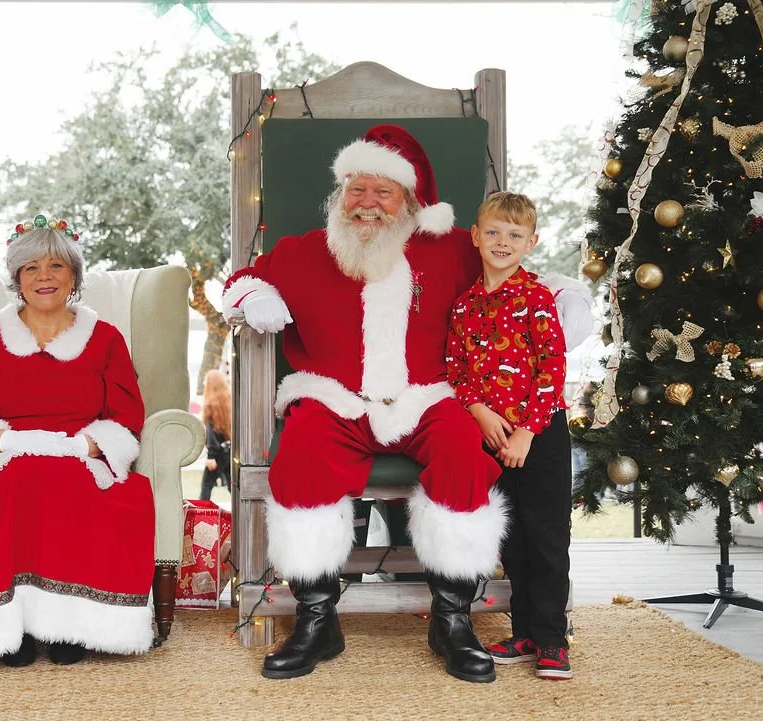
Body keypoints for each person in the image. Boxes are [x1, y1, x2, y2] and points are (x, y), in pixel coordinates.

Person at [222, 125, 591, 683]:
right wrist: (255, 296)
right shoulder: (303, 251)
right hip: (336, 399)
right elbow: (242, 279)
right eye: (356, 189)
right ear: (340, 193)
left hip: (429, 397)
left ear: (409, 200)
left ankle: (453, 620)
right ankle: (317, 620)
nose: (367, 203)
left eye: (383, 192)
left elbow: (521, 274)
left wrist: (565, 298)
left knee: (465, 452)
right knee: (299, 454)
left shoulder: (454, 249)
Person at [0, 215, 155, 669]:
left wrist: (83, 448)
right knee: (22, 477)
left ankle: (64, 627)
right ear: (17, 278)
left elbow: (126, 415)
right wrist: (10, 442)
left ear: (73, 275)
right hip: (7, 452)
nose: (44, 277)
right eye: (31, 268)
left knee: (64, 479)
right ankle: (11, 629)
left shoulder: (105, 339)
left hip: (79, 452)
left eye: (55, 266)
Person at [445, 192, 573, 680]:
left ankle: (552, 640)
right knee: (513, 540)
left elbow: (551, 370)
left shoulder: (538, 297)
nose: (503, 242)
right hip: (490, 436)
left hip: (538, 433)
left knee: (546, 538)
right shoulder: (464, 307)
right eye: (493, 232)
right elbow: (456, 369)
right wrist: (478, 411)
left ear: (531, 242)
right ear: (476, 237)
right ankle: (524, 634)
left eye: (514, 235)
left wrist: (525, 434)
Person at [198, 368, 232, 501]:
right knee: (233, 485)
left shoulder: (210, 406)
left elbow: (211, 435)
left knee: (206, 486)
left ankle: (202, 514)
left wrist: (211, 456)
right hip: (228, 452)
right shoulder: (229, 404)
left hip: (216, 454)